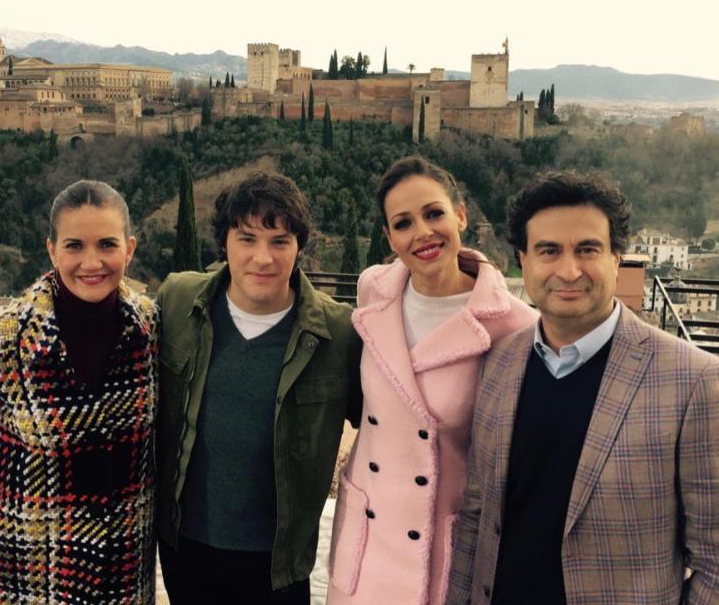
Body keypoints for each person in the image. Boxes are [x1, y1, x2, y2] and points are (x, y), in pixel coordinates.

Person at [446, 171, 719, 605]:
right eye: (549, 251)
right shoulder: (498, 362)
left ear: (617, 258)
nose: (568, 270)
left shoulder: (693, 381)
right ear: (524, 259)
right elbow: (476, 519)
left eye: (587, 249)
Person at [0, 180, 159, 604]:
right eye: (74, 246)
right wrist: (11, 479)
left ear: (129, 249)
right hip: (28, 568)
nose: (91, 262)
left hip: (121, 567)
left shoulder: (149, 329)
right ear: (52, 250)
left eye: (106, 245)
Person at [327, 156, 536, 605]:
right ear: (388, 237)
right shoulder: (373, 289)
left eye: (434, 213)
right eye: (403, 223)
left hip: (441, 547)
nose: (422, 232)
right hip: (366, 539)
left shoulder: (514, 325)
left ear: (460, 214)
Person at [155, 171, 363, 604]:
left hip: (277, 565)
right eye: (247, 239)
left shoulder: (339, 334)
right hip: (186, 550)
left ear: (299, 247)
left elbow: (389, 426)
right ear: (225, 243)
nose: (263, 258)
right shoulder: (177, 301)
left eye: (279, 241)